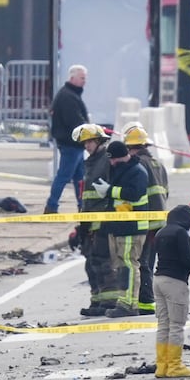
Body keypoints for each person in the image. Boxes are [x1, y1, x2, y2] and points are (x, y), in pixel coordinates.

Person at [150, 204, 190, 378]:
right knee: (177, 325)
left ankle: (162, 366)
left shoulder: (161, 232)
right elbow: (187, 260)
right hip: (175, 282)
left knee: (163, 325)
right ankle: (175, 366)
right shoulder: (180, 233)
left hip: (158, 280)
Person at [102, 140, 151, 318]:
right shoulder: (120, 169)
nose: (112, 163)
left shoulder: (137, 171)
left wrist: (110, 191)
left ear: (122, 156)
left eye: (113, 159)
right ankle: (124, 301)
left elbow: (134, 193)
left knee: (129, 265)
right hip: (121, 225)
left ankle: (129, 304)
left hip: (133, 226)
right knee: (122, 265)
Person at [72, 123, 115, 317]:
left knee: (103, 264)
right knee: (91, 264)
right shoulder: (91, 162)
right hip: (90, 222)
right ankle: (96, 300)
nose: (87, 146)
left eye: (90, 141)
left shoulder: (105, 161)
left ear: (99, 141)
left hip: (103, 221)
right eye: (85, 143)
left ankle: (109, 301)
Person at [124, 124, 168, 315]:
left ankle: (146, 301)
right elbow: (166, 191)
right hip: (160, 219)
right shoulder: (159, 164)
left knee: (143, 262)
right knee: (149, 261)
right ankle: (148, 300)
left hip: (147, 219)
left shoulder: (139, 164)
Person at [45, 64, 90, 214]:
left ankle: (81, 205)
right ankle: (52, 205)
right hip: (71, 144)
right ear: (73, 78)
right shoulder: (68, 97)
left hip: (74, 144)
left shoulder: (69, 94)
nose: (85, 81)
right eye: (82, 78)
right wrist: (91, 130)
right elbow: (75, 122)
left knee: (79, 178)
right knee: (64, 176)